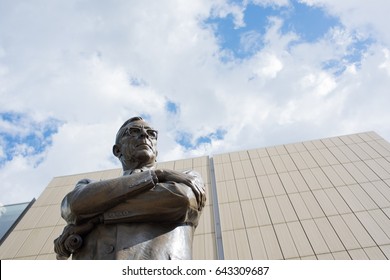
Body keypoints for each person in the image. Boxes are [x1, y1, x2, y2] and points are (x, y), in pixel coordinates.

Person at [54, 117, 205, 260]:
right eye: (134, 131)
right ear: (117, 150)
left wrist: (95, 217)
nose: (144, 135)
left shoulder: (187, 177)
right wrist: (157, 174)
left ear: (156, 151)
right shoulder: (87, 185)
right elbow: (75, 207)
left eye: (152, 133)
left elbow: (180, 200)